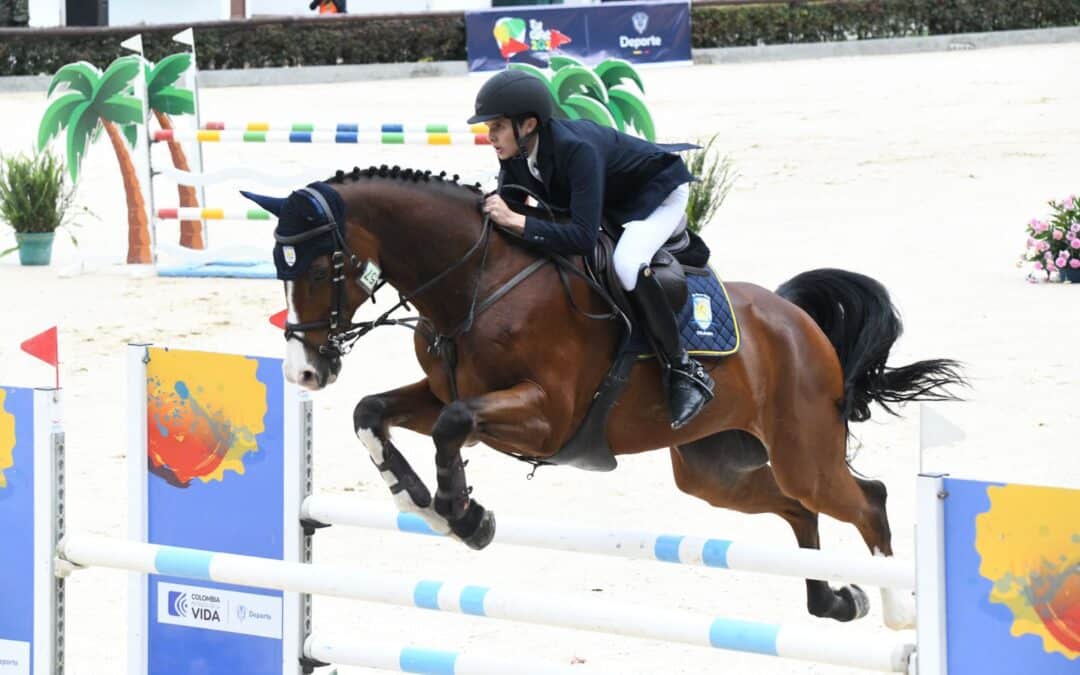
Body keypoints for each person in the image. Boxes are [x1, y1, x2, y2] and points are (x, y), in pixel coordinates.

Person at [469, 69, 714, 430]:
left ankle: (683, 368)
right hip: (609, 199)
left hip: (655, 195)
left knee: (627, 263)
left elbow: (582, 237)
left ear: (528, 125)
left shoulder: (576, 150)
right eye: (488, 128)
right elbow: (510, 204)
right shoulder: (515, 153)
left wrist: (519, 222)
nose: (490, 137)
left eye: (498, 127)